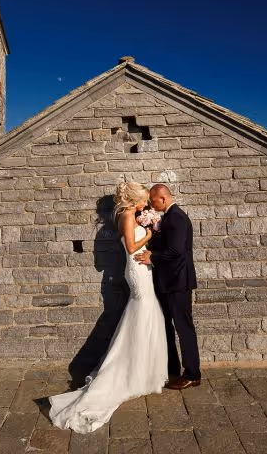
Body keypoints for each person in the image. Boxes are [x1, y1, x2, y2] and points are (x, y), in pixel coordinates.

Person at [48, 181, 168, 433]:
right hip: (135, 269)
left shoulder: (133, 215)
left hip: (143, 268)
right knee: (143, 311)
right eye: (144, 200)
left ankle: (143, 370)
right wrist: (148, 234)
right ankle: (128, 371)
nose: (146, 204)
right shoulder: (126, 216)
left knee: (146, 314)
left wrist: (147, 226)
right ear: (135, 200)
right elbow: (131, 247)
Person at [134, 183, 201, 389]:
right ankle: (172, 369)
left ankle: (192, 374)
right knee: (167, 327)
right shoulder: (168, 218)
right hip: (168, 282)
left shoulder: (177, 217)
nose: (151, 206)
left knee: (184, 329)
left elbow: (176, 251)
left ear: (162, 198)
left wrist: (152, 256)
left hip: (178, 283)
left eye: (153, 202)